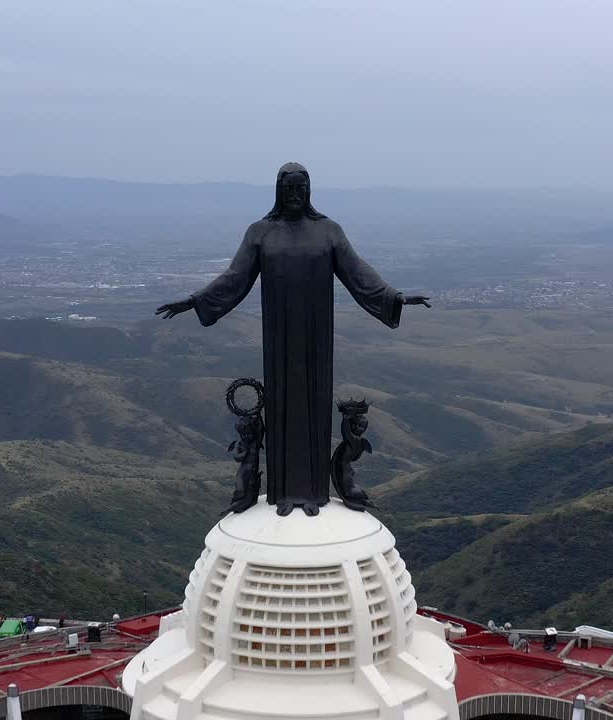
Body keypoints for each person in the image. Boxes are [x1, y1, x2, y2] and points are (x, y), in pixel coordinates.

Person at [157, 163, 428, 516]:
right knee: (284, 404)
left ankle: (314, 491)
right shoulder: (260, 232)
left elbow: (357, 271)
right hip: (279, 333)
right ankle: (283, 492)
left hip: (317, 334)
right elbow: (235, 277)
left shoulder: (329, 231)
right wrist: (196, 301)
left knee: (314, 404)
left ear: (309, 191)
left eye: (301, 188)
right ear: (278, 191)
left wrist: (394, 297)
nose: (295, 195)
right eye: (289, 189)